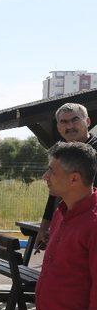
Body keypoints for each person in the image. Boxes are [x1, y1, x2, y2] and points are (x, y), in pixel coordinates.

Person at [34, 141, 97, 310]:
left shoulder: (93, 223)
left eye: (51, 171)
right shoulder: (62, 212)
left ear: (74, 178)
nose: (45, 177)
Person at [34, 103, 97, 252]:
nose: (70, 126)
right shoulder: (60, 151)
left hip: (88, 229)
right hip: (62, 223)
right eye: (64, 122)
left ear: (87, 122)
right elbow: (54, 193)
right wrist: (44, 227)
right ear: (58, 127)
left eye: (75, 120)